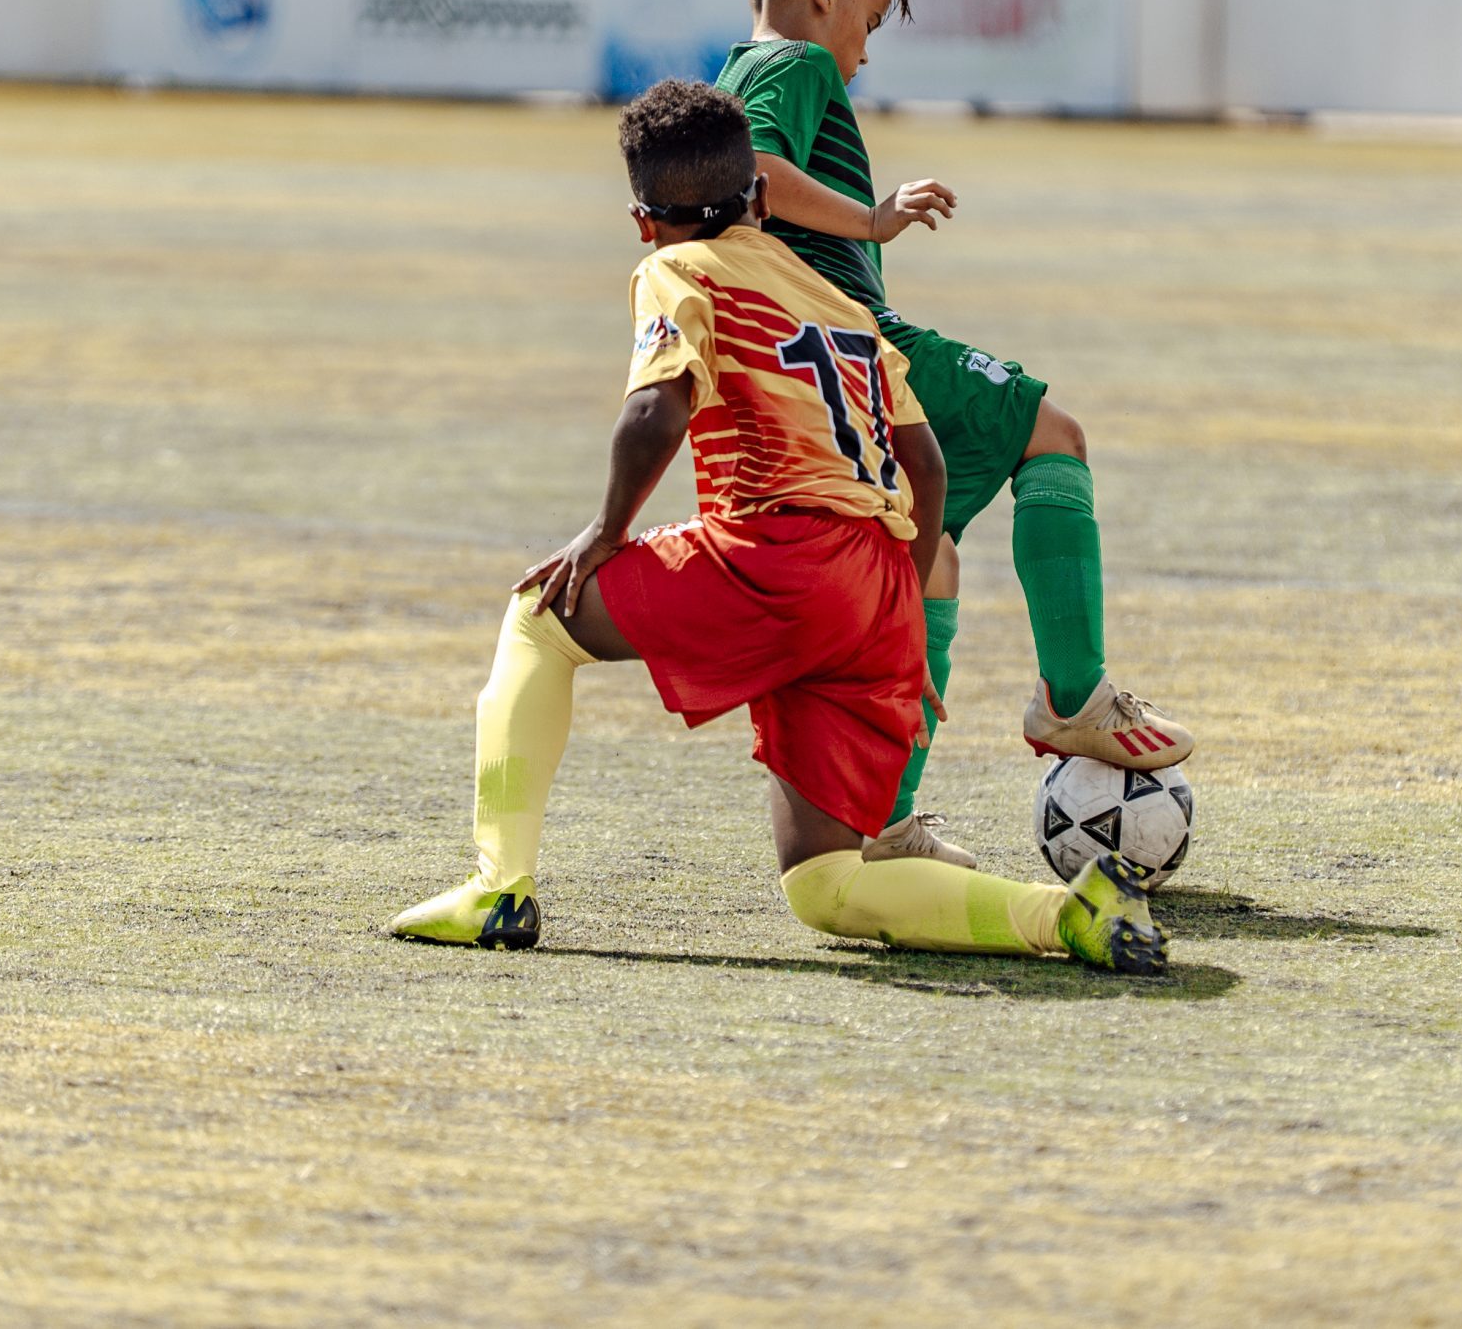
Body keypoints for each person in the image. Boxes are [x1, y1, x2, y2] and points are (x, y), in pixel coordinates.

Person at [388, 79, 1167, 976]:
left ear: (644, 221)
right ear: (760, 197)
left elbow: (656, 412)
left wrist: (603, 534)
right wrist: (904, 613)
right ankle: (1064, 913)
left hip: (781, 553)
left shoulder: (675, 268)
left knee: (538, 613)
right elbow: (928, 470)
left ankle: (497, 886)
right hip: (876, 578)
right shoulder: (841, 305)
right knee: (824, 882)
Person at [715, 0, 1193, 870]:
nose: (862, 56)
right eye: (869, 24)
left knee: (927, 567)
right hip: (865, 346)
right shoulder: (793, 62)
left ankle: (887, 829)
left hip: (821, 366)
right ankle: (1073, 698)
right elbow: (755, 175)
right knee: (1050, 432)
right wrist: (875, 219)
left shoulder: (738, 68)